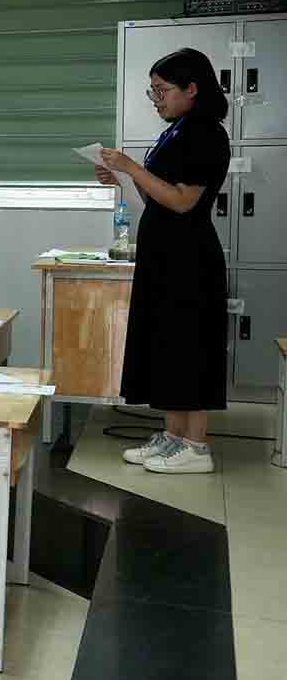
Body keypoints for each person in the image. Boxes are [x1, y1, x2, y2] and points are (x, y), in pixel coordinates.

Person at [96, 46, 233, 475]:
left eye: (162, 90)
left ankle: (196, 446)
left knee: (189, 346)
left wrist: (131, 167)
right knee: (168, 346)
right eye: (152, 91)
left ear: (192, 89)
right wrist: (124, 175)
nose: (157, 99)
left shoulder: (206, 133)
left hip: (189, 260)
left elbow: (182, 200)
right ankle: (173, 437)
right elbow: (156, 195)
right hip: (165, 255)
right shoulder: (177, 130)